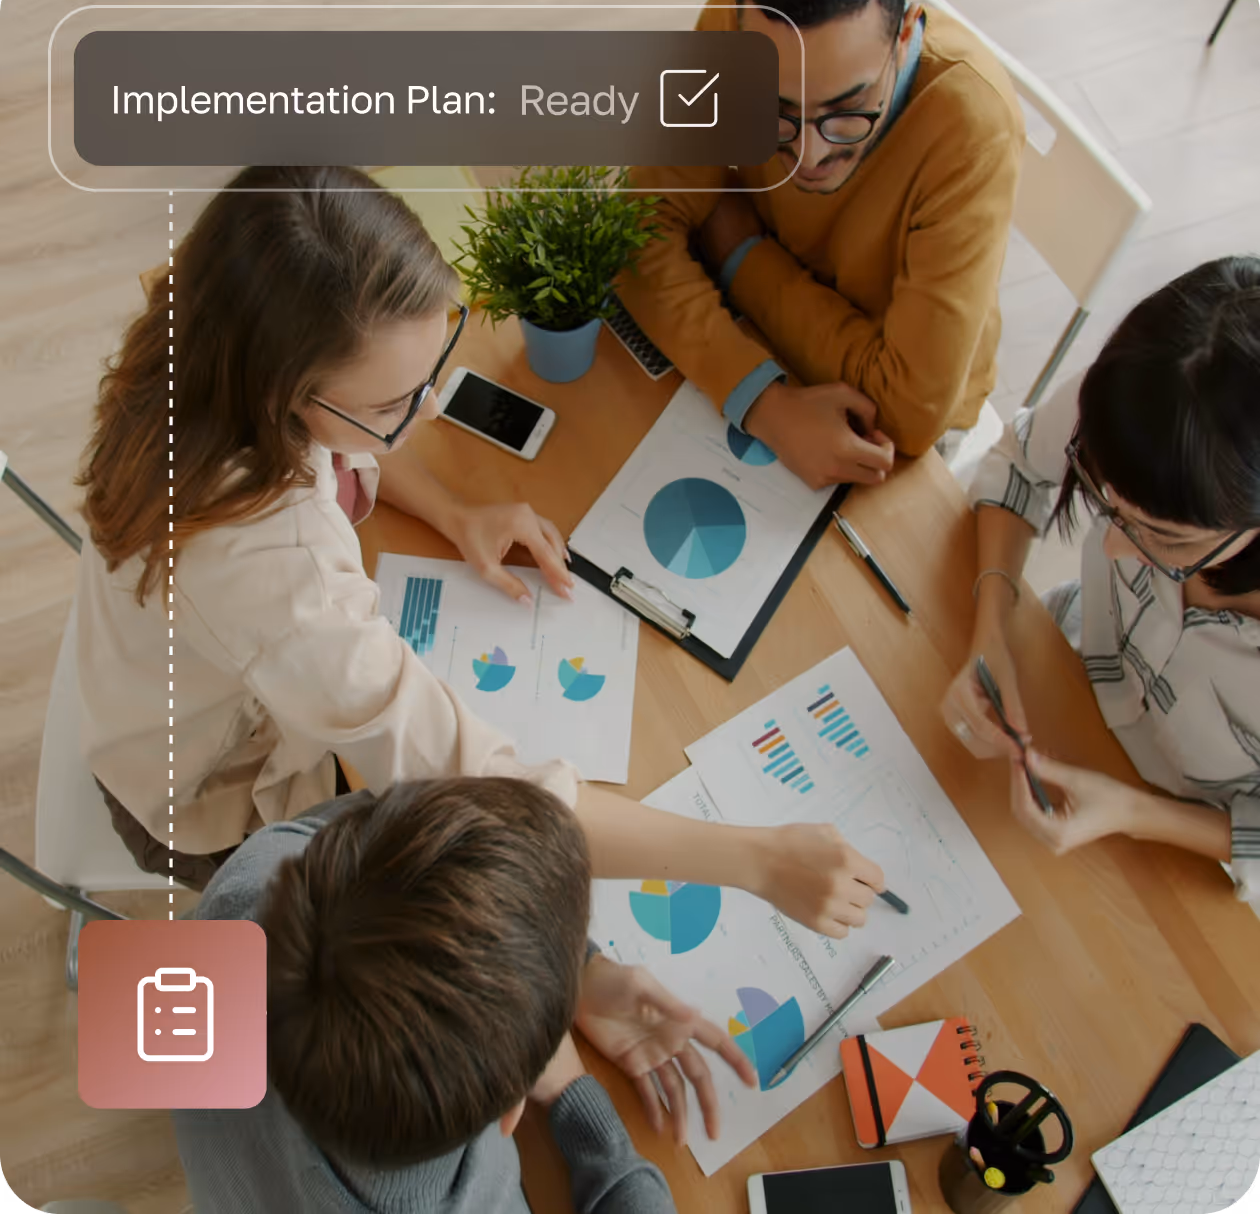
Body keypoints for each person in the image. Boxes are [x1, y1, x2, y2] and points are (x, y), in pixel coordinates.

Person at [76, 164, 886, 938]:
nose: (428, 414)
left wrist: (455, 511)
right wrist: (756, 859)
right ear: (284, 390)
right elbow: (487, 788)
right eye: (395, 403)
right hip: (205, 807)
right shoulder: (271, 565)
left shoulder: (207, 335)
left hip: (162, 693)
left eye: (432, 372)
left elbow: (341, 436)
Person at [172, 774, 758, 1212]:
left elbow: (381, 829)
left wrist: (557, 973)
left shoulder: (250, 886)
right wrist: (583, 1107)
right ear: (510, 1109)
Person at [616, 0, 1023, 489]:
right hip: (760, 344)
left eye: (848, 107)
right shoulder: (743, 15)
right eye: (776, 106)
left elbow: (906, 414)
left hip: (884, 432)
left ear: (904, 36)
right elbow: (639, 226)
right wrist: (764, 402)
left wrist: (741, 253)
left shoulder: (973, 131)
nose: (810, 155)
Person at [942, 256, 1260, 905]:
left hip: (1175, 859)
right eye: (1106, 503)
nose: (1110, 545)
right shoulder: (1142, 409)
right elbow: (1019, 465)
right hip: (1058, 669)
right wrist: (991, 627)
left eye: (1164, 536)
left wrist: (1137, 814)